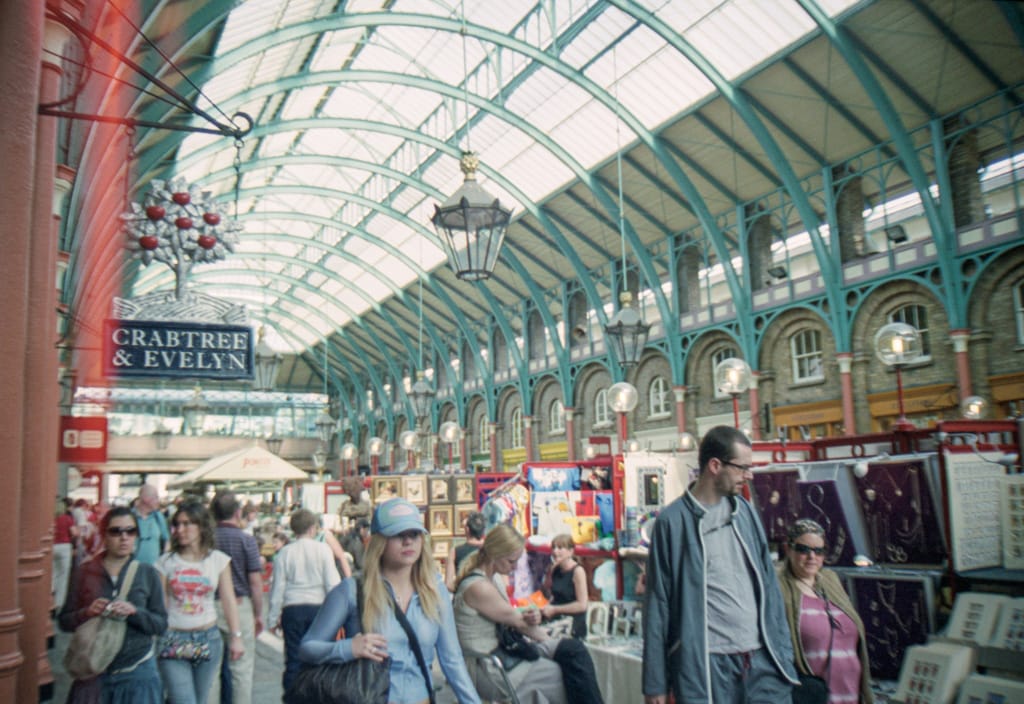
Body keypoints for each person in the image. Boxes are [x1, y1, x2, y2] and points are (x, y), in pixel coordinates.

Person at [642, 425, 798, 703]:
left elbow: (769, 586)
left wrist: (783, 652)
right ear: (715, 465)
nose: (748, 476)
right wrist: (655, 682)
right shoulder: (672, 522)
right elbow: (658, 604)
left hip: (763, 661)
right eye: (742, 468)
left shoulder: (746, 513)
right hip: (707, 665)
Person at [300, 498, 481, 704]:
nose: (408, 542)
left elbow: (452, 660)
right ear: (380, 541)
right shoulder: (352, 590)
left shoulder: (435, 591)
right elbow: (308, 648)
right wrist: (348, 648)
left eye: (414, 534)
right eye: (398, 535)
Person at [453, 524, 604, 704]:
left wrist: (537, 625)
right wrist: (547, 638)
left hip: (504, 650)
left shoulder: (490, 579)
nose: (515, 567)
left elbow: (512, 618)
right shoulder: (479, 587)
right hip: (490, 664)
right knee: (562, 671)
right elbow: (517, 621)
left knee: (574, 651)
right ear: (495, 555)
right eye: (511, 561)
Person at [59, 506, 167, 704]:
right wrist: (88, 612)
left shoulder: (147, 573)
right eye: (116, 531)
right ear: (104, 535)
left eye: (130, 531)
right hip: (94, 671)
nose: (124, 537)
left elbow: (160, 624)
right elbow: (65, 621)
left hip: (137, 670)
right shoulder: (84, 572)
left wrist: (134, 612)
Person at [156, 501, 245, 704]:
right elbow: (161, 602)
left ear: (201, 526)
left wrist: (236, 636)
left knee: (200, 699)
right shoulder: (165, 563)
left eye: (187, 524)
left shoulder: (218, 560)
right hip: (174, 637)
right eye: (177, 524)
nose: (181, 529)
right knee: (184, 700)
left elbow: (228, 599)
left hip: (208, 637)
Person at [778, 519, 874, 704]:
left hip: (850, 693)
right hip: (812, 695)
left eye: (819, 551)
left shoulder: (830, 581)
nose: (812, 556)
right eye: (803, 549)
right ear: (789, 549)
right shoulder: (778, 587)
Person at [268, 508, 341, 693]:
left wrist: (273, 617)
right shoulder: (323, 550)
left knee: (294, 659)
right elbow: (332, 584)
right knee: (321, 657)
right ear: (312, 528)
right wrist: (338, 615)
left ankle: (293, 697)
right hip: (320, 609)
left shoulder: (285, 553)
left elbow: (277, 589)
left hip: (292, 609)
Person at [209, 491, 264, 704]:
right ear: (238, 512)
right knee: (241, 672)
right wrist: (258, 614)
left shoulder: (207, 540)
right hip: (240, 606)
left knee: (211, 671)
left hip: (209, 607)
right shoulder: (247, 540)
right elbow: (256, 583)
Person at [540, 534, 588, 639]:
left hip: (572, 621)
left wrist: (555, 609)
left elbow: (582, 605)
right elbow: (551, 594)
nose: (555, 551)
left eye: (560, 548)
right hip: (556, 616)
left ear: (570, 551)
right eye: (553, 548)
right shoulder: (556, 569)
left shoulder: (578, 571)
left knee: (541, 635)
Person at [445, 511, 485, 592]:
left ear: (467, 529)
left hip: (463, 600)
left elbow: (448, 584)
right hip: (487, 598)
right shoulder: (491, 550)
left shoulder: (454, 552)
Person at [53, 497, 79, 612]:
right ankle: (58, 604)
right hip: (64, 547)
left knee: (53, 574)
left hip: (52, 546)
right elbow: (75, 533)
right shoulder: (68, 519)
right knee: (63, 576)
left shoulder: (51, 519)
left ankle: (50, 596)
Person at [133, 485, 170, 565]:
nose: (158, 501)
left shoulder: (158, 517)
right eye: (156, 497)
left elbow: (167, 540)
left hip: (154, 569)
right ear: (146, 499)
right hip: (132, 569)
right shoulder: (130, 516)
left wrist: (163, 561)